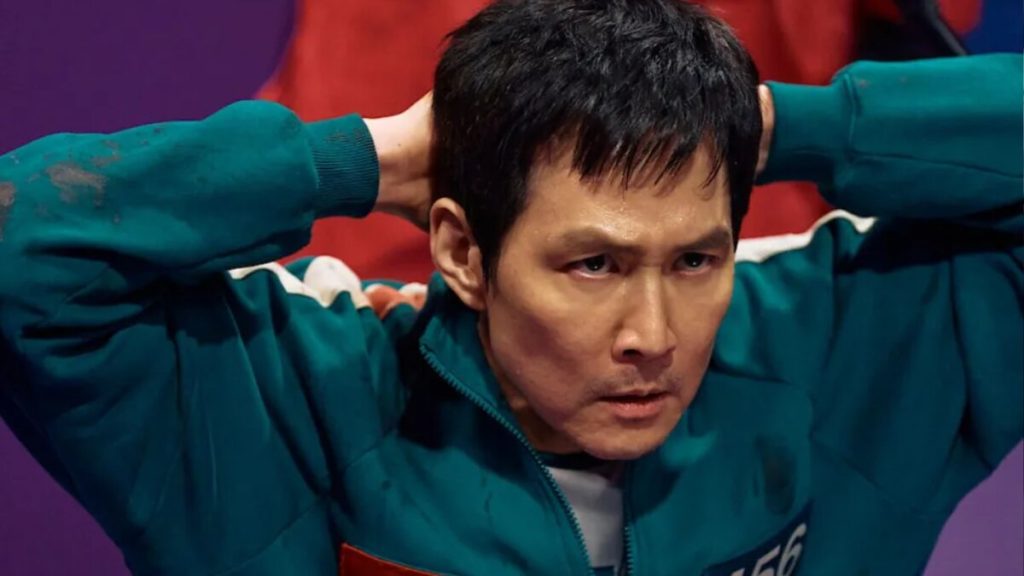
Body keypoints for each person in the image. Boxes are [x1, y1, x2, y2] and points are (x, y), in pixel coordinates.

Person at [0, 1, 1019, 574]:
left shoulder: (840, 353)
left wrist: (783, 126)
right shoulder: (289, 407)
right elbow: (26, 252)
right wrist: (366, 160)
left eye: (694, 263)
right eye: (594, 267)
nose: (653, 336)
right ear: (459, 251)